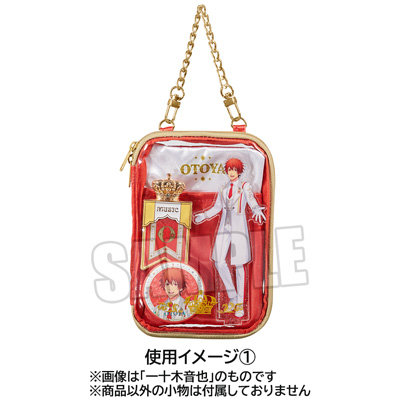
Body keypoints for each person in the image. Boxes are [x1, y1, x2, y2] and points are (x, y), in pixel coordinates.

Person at [194, 158, 266, 318]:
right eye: (229, 170)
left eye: (234, 169)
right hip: (224, 227)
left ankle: (240, 303)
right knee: (219, 261)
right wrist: (203, 216)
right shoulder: (223, 188)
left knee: (239, 265)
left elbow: (251, 200)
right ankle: (232, 295)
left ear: (239, 171)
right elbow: (217, 207)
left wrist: (256, 209)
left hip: (239, 228)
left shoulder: (245, 186)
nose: (231, 172)